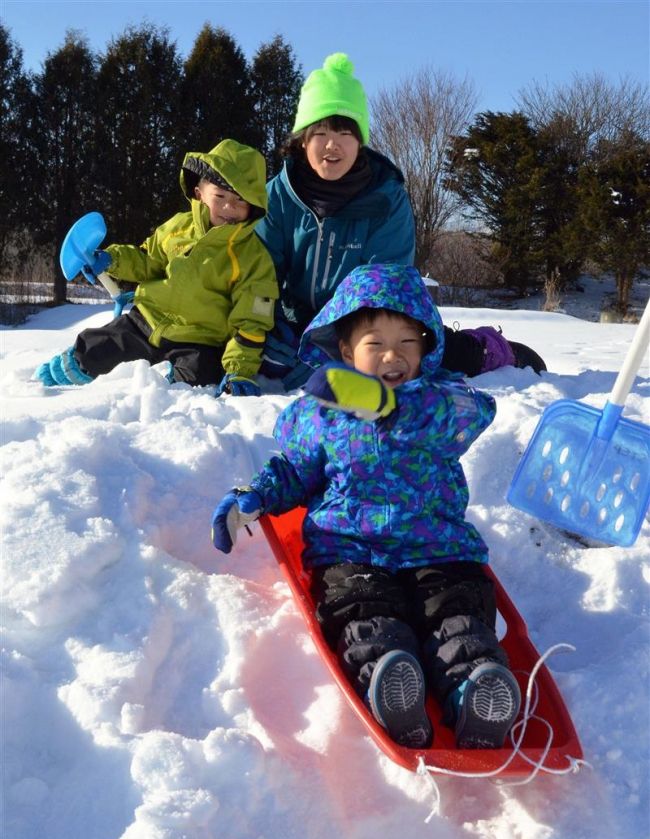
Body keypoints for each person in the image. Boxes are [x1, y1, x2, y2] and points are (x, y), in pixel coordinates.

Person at [211, 263, 521, 750]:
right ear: (345, 351)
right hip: (352, 549)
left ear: (428, 350)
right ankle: (393, 685)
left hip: (437, 548)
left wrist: (393, 407)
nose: (392, 355)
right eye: (375, 343)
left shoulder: (442, 401)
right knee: (363, 614)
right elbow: (296, 469)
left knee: (457, 613)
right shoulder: (318, 412)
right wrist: (256, 495)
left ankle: (475, 687)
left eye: (407, 343)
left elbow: (474, 414)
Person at [255, 52, 545, 392]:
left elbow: (385, 286)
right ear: (303, 139)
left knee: (424, 355)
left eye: (345, 132)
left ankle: (484, 351)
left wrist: (336, 343)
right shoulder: (277, 195)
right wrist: (267, 326)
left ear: (359, 141)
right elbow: (259, 275)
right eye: (320, 132)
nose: (332, 144)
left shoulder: (385, 198)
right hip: (296, 320)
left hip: (373, 319)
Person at [35, 139, 279, 393]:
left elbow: (251, 322)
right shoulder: (178, 228)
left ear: (254, 206)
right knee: (98, 346)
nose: (229, 207)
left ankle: (162, 406)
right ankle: (61, 380)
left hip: (199, 340)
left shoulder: (254, 259)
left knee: (200, 377)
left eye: (240, 200)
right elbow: (147, 260)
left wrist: (240, 370)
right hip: (145, 322)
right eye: (220, 196)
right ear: (199, 193)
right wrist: (112, 260)